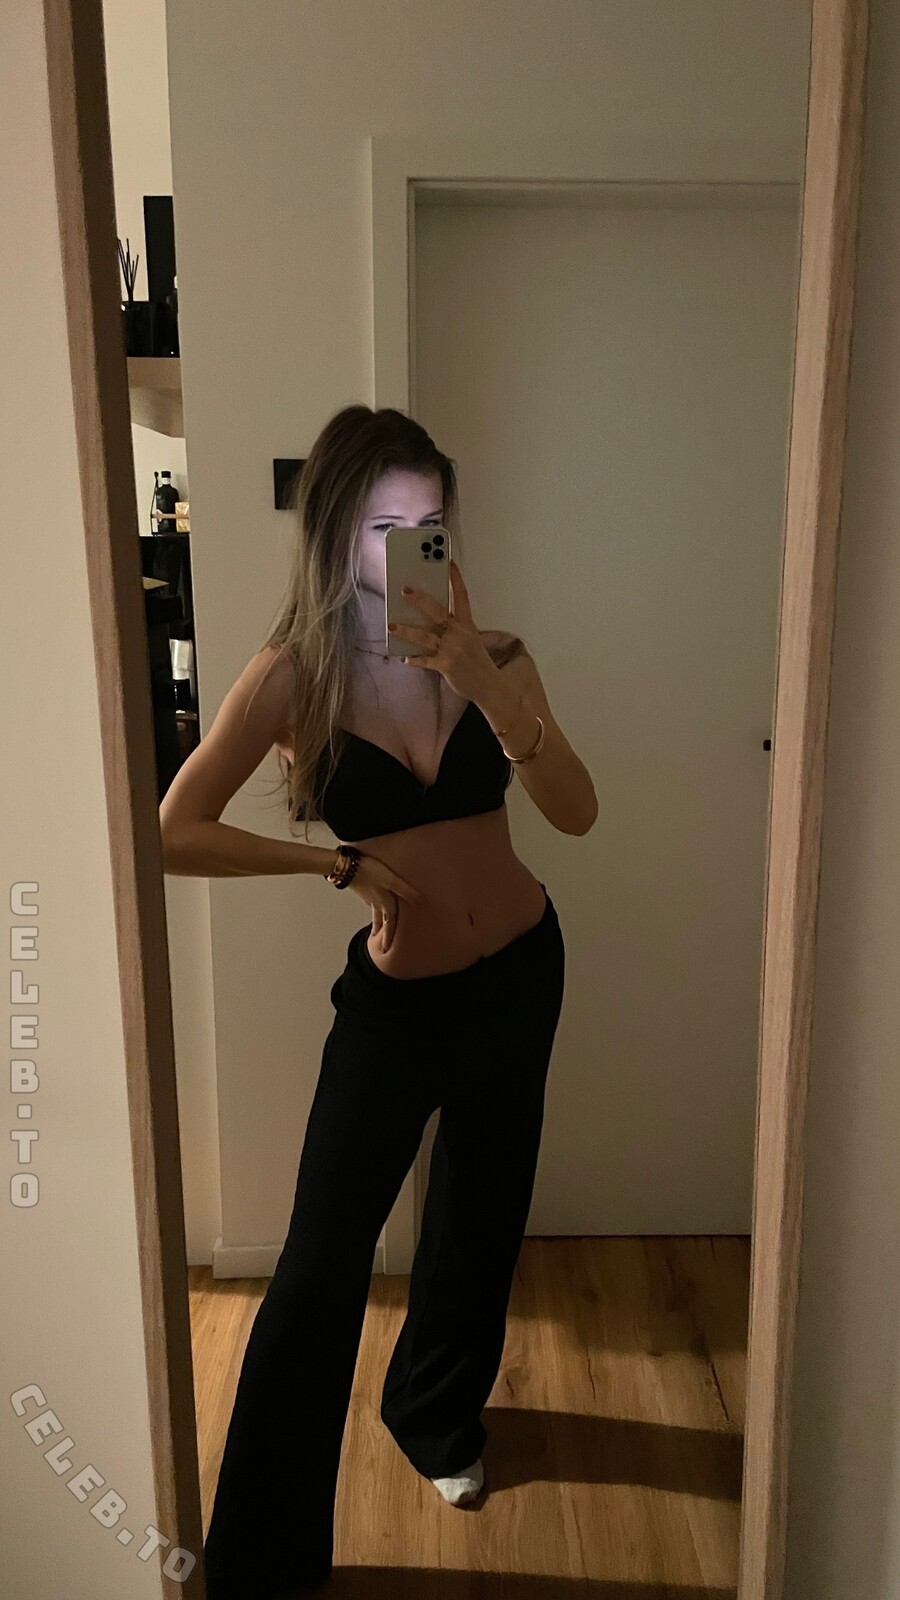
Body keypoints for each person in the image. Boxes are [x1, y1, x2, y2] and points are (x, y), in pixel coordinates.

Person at [160, 404, 597, 1598]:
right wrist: (334, 864)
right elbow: (174, 829)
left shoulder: (499, 657)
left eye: (431, 520)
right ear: (335, 528)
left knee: (481, 1211)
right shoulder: (290, 675)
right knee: (317, 1266)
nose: (413, 542)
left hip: (521, 972)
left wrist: (484, 684)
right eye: (385, 522)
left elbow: (575, 812)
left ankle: (435, 1415)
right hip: (396, 1008)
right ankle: (260, 1560)